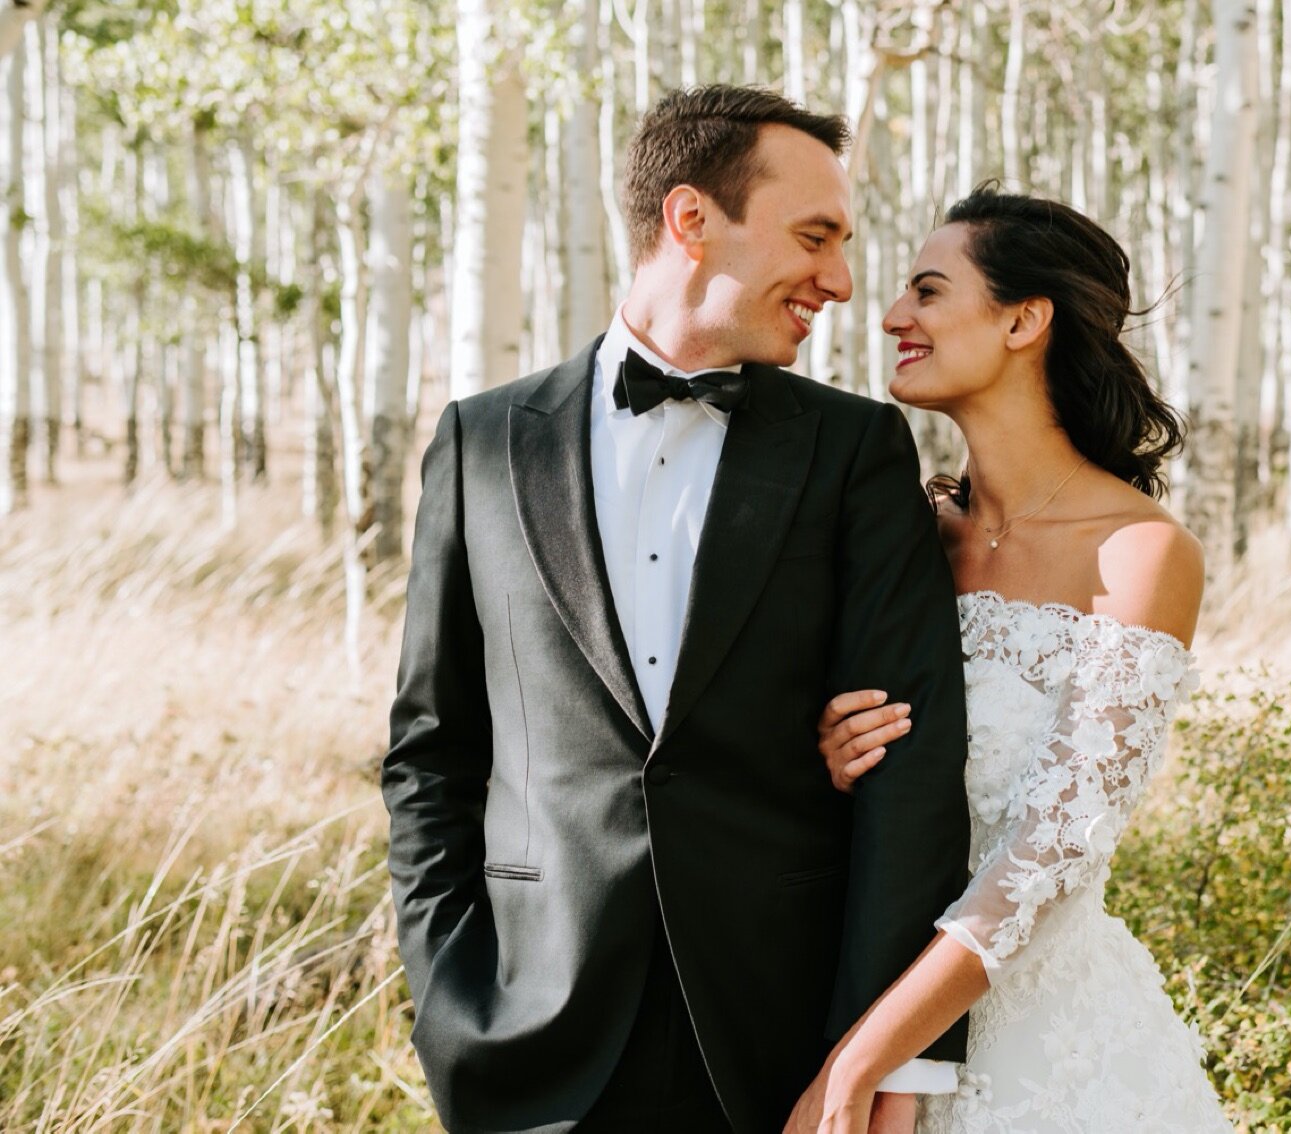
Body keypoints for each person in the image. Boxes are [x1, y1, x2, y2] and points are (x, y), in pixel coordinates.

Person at [381, 85, 972, 1134]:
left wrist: (886, 1059)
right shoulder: (481, 442)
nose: (838, 281)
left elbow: (910, 772)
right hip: (529, 1038)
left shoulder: (854, 453)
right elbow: (432, 750)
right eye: (814, 236)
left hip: (780, 1041)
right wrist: (449, 1005)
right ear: (690, 220)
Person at [790, 188, 1233, 1133]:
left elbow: (1051, 856)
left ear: (1025, 319)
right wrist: (831, 755)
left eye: (928, 291)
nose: (891, 316)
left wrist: (866, 1062)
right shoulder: (903, 536)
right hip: (861, 994)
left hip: (1047, 1060)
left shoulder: (1141, 554)